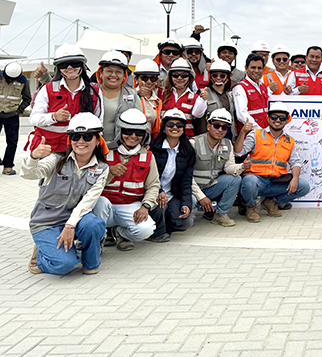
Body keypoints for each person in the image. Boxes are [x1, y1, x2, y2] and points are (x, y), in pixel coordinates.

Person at [22, 113, 108, 275]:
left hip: (74, 219)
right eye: (75, 136)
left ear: (98, 140)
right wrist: (33, 157)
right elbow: (28, 174)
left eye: (87, 136)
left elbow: (88, 201)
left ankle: (90, 263)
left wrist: (70, 225)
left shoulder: (102, 168)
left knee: (94, 224)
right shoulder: (55, 160)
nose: (81, 141)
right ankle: (40, 256)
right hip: (46, 223)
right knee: (64, 265)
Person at [91, 109, 158, 251]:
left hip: (130, 205)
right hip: (105, 205)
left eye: (138, 133)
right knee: (100, 203)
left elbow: (153, 185)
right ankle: (97, 241)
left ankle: (119, 233)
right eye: (128, 131)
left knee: (146, 229)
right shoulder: (104, 153)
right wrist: (109, 173)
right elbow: (90, 182)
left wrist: (145, 206)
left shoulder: (148, 156)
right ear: (120, 131)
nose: (133, 136)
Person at [237, 102, 311, 222]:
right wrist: (242, 133)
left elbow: (296, 163)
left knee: (303, 186)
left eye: (282, 118)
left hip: (276, 182)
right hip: (257, 181)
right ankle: (250, 207)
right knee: (249, 181)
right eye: (274, 117)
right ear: (268, 118)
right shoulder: (256, 134)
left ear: (287, 120)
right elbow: (238, 152)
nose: (278, 120)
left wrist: (295, 178)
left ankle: (272, 203)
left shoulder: (290, 140)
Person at [29, 45, 103, 154]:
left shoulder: (94, 92)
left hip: (79, 150)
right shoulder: (47, 89)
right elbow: (34, 118)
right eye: (64, 65)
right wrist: (54, 117)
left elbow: (99, 122)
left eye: (75, 63)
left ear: (82, 65)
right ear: (58, 68)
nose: (69, 68)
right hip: (49, 149)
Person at [190, 109, 249, 227]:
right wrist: (201, 197)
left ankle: (220, 214)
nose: (220, 130)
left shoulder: (227, 144)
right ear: (208, 126)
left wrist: (242, 166)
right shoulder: (193, 143)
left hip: (211, 187)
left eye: (224, 127)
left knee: (235, 179)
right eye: (216, 125)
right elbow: (186, 176)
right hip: (192, 190)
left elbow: (229, 167)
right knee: (189, 210)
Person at [148, 109, 196, 241]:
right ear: (164, 128)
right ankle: (157, 230)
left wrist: (186, 203)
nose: (175, 128)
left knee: (185, 222)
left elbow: (186, 181)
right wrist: (159, 191)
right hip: (152, 193)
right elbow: (146, 176)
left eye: (179, 125)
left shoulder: (188, 151)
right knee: (160, 208)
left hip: (172, 194)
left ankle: (164, 224)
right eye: (170, 124)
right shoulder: (153, 148)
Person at [96, 51, 140, 148]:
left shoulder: (132, 95)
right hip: (91, 147)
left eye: (118, 72)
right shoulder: (90, 92)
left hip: (121, 149)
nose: (113, 75)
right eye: (109, 71)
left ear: (124, 75)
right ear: (101, 73)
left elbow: (140, 124)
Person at [160, 58, 208, 139]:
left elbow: (197, 114)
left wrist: (203, 100)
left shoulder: (196, 97)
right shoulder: (161, 93)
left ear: (190, 77)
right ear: (170, 77)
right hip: (164, 139)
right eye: (175, 75)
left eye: (184, 75)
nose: (179, 78)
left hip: (186, 140)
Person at [0, 62, 31, 175]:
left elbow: (27, 99)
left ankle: (8, 167)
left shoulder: (23, 81)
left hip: (12, 115)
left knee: (12, 142)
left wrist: (18, 111)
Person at [232, 53, 271, 129]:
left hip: (265, 130)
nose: (256, 71)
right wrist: (258, 129)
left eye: (259, 68)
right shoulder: (240, 87)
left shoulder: (263, 86)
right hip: (249, 132)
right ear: (246, 68)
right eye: (253, 68)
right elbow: (241, 114)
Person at [205, 60, 238, 139]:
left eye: (222, 76)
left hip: (229, 133)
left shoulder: (231, 95)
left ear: (228, 77)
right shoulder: (203, 93)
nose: (218, 78)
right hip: (210, 136)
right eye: (215, 75)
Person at [133, 58, 162, 135]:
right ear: (136, 79)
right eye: (144, 78)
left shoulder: (157, 101)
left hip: (149, 140)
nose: (149, 82)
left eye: (153, 78)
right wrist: (137, 95)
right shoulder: (129, 96)